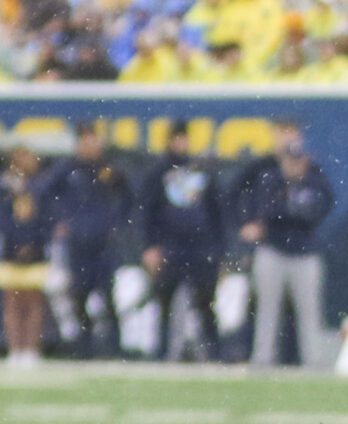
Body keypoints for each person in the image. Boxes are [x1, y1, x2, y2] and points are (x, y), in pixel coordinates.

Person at [239, 125, 335, 367]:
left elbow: (315, 211)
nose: (294, 165)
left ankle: (313, 362)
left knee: (309, 312)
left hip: (304, 253)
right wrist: (291, 210)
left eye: (297, 159)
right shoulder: (271, 179)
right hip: (273, 251)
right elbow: (269, 212)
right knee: (267, 311)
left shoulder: (315, 179)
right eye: (290, 160)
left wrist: (289, 210)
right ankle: (262, 361)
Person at [43, 120, 132, 358]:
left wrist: (117, 223)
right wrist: (60, 220)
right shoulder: (67, 169)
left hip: (103, 242)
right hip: (79, 241)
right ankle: (83, 347)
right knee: (79, 295)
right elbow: (46, 195)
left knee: (107, 295)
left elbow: (127, 197)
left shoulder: (109, 169)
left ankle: (113, 348)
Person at [140, 124, 224, 362]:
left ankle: (213, 352)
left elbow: (216, 212)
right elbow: (149, 212)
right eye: (176, 139)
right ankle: (163, 352)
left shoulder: (202, 171)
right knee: (165, 303)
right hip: (171, 247)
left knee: (205, 303)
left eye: (183, 139)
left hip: (200, 247)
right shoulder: (159, 173)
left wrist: (218, 250)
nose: (180, 144)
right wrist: (151, 246)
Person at [2, 144, 48, 369]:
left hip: (35, 253)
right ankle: (15, 348)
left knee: (33, 300)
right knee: (12, 301)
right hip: (11, 251)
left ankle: (31, 348)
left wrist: (33, 241)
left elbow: (44, 218)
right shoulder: (6, 186)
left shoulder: (40, 186)